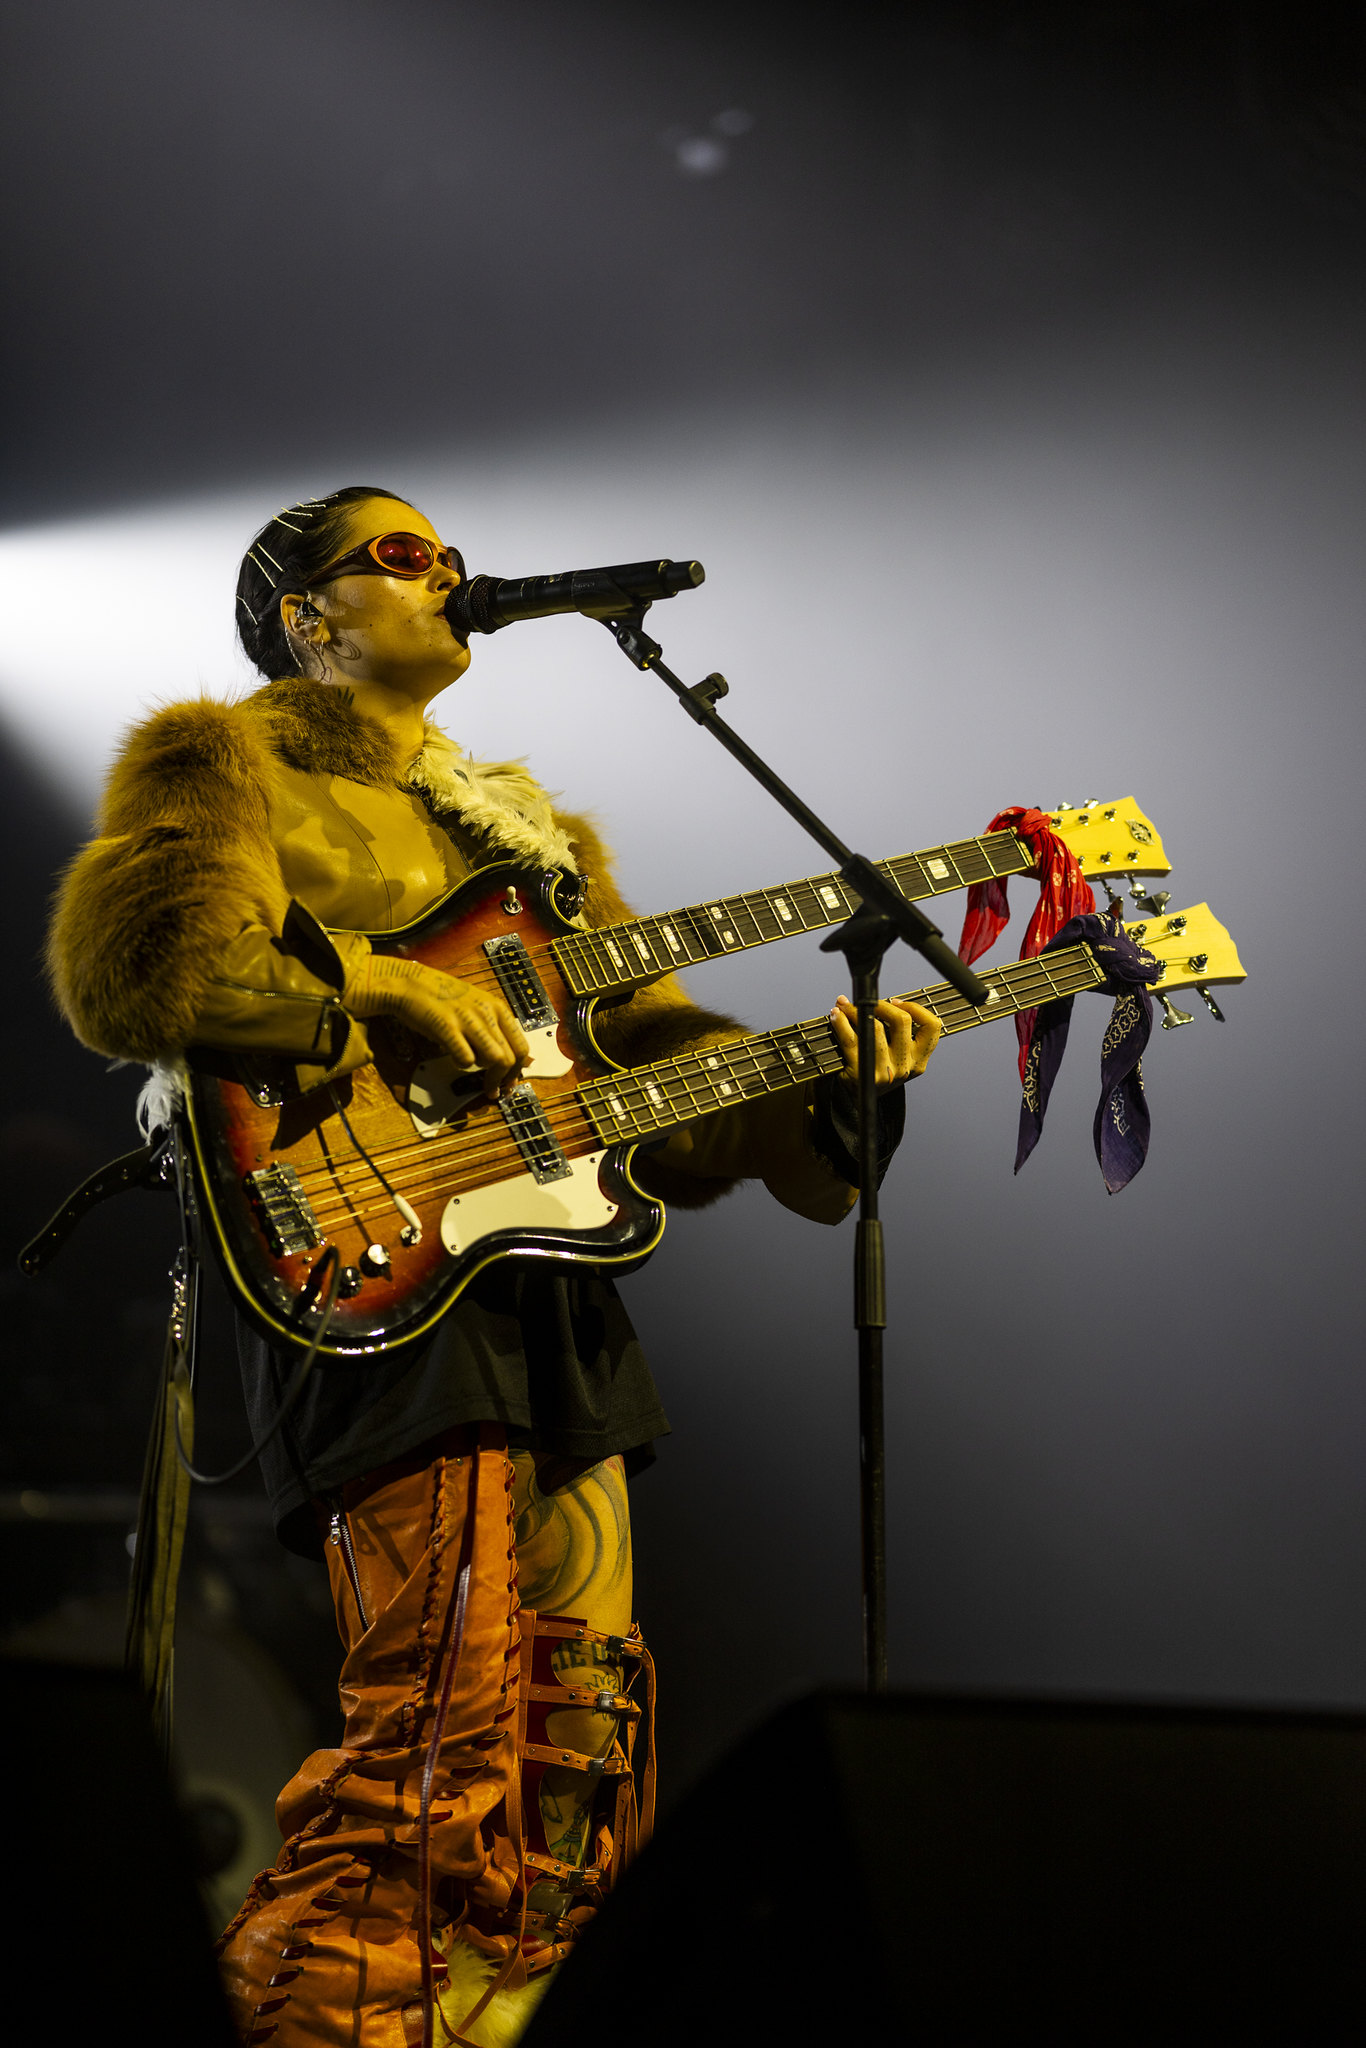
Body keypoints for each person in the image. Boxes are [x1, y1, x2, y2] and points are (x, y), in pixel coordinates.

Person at [47, 486, 941, 2046]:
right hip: (373, 1251)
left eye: (450, 558)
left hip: (550, 1274)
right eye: (399, 557)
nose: (448, 577)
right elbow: (136, 972)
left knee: (573, 1755)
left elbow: (649, 1079)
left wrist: (817, 1083)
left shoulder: (529, 839)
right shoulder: (225, 762)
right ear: (304, 616)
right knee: (435, 1737)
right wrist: (371, 988)